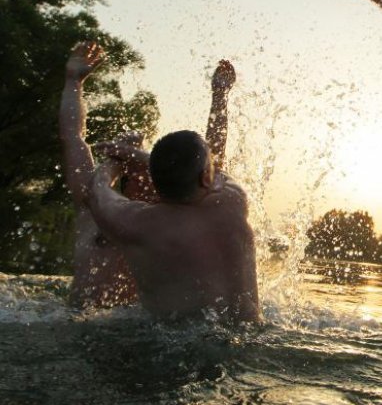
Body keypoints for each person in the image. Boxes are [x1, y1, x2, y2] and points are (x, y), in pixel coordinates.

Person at [59, 41, 238, 308]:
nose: (146, 179)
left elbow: (210, 164)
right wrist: (74, 81)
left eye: (148, 171)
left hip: (135, 332)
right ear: (124, 179)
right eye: (137, 172)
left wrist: (220, 96)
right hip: (79, 326)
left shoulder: (173, 219)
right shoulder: (95, 207)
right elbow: (73, 138)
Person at [87, 91, 261, 323]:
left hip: (175, 347)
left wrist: (113, 163)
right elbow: (216, 171)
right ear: (204, 179)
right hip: (249, 339)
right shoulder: (232, 203)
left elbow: (97, 192)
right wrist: (220, 93)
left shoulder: (137, 223)